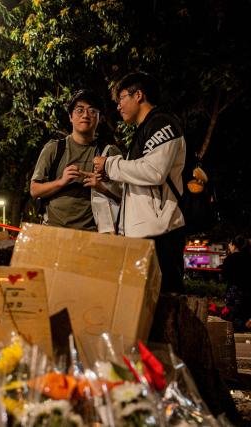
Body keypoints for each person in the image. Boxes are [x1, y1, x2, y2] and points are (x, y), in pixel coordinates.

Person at [93, 72, 186, 293]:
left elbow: (154, 171)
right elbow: (141, 178)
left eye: (121, 98)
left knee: (165, 304)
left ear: (139, 95)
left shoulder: (162, 123)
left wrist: (110, 165)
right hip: (146, 233)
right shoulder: (145, 129)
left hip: (161, 233)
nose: (118, 107)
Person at [29, 89, 121, 231]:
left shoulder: (109, 152)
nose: (85, 115)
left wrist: (101, 187)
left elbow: (125, 196)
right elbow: (34, 190)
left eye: (92, 111)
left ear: (99, 118)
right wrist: (61, 181)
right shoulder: (54, 149)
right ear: (71, 117)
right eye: (80, 110)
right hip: (54, 231)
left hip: (94, 234)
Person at [221, 236, 251, 332]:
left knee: (233, 314)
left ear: (234, 245)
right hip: (248, 290)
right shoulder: (249, 257)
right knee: (245, 312)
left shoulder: (230, 259)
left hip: (234, 291)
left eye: (230, 244)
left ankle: (239, 330)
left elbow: (224, 276)